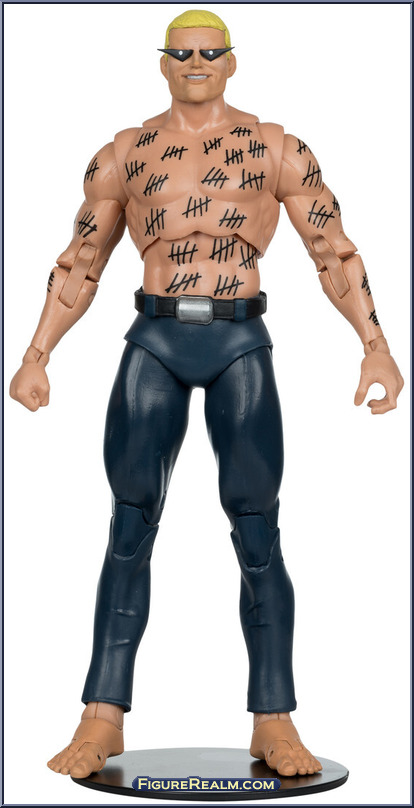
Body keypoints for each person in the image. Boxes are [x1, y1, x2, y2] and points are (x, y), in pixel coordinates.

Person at [10, 9, 403, 781]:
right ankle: (102, 715)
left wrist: (375, 345)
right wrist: (36, 355)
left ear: (231, 62)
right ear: (163, 63)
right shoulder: (127, 153)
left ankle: (274, 718)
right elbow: (81, 259)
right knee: (130, 526)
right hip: (154, 339)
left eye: (210, 52)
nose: (196, 63)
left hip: (238, 342)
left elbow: (332, 249)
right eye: (183, 52)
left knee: (258, 533)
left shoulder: (276, 148)